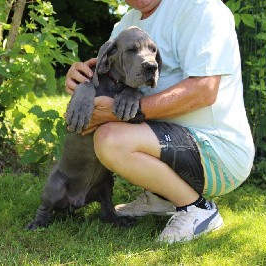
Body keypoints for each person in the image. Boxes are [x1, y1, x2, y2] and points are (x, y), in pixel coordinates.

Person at [64, 0, 255, 243]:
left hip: (218, 150)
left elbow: (204, 91)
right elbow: (108, 77)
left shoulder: (202, 8)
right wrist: (81, 80)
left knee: (111, 139)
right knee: (104, 123)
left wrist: (130, 112)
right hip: (167, 137)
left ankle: (197, 209)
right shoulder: (127, 23)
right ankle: (162, 197)